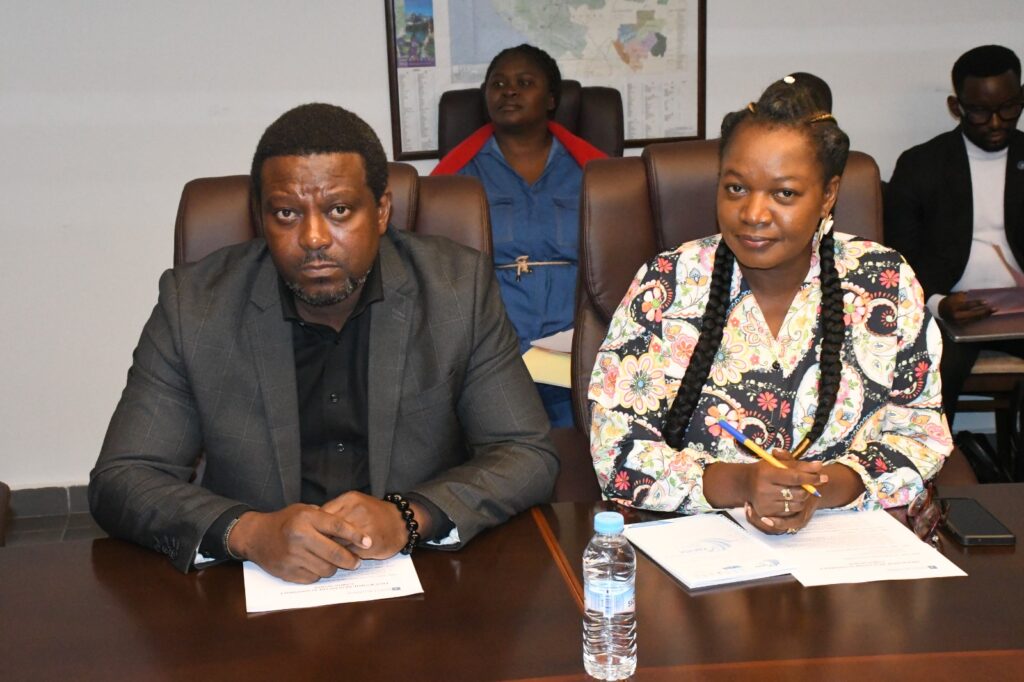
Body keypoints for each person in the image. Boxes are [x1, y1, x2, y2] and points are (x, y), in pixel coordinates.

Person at [90, 103, 558, 582]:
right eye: (286, 213)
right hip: (253, 584)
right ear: (261, 218)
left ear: (381, 211)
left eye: (338, 210)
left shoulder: (456, 290)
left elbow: (526, 452)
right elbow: (123, 478)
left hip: (419, 578)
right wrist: (248, 532)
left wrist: (408, 515)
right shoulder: (194, 306)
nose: (313, 238)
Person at [589, 78, 951, 535]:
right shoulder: (667, 283)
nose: (753, 214)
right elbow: (615, 449)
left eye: (784, 194)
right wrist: (741, 483)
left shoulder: (885, 280)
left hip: (852, 540)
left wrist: (819, 489)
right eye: (736, 188)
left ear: (828, 195)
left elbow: (921, 434)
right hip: (701, 545)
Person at [432, 44, 607, 428]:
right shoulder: (456, 177)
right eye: (498, 84)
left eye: (524, 83)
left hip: (577, 348)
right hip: (494, 347)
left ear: (551, 100)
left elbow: (615, 268)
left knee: (582, 446)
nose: (508, 91)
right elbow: (442, 274)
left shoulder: (595, 174)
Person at [885, 45, 1024, 420]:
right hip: (948, 313)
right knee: (929, 375)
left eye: (1009, 108)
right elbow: (899, 255)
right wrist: (937, 302)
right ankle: (939, 455)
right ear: (955, 106)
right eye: (979, 111)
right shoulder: (921, 165)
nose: (995, 123)